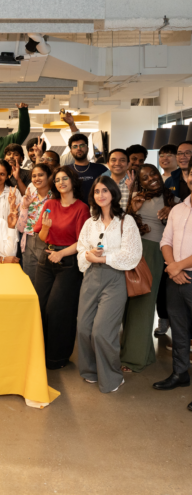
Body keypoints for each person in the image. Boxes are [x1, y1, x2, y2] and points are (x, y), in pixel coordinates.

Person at [76, 176, 142, 393]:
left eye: (105, 190)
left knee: (102, 332)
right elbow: (81, 248)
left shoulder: (126, 221)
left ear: (113, 193)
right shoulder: (89, 222)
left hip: (115, 278)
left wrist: (103, 258)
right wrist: (89, 254)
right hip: (91, 276)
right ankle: (91, 371)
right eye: (97, 191)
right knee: (84, 328)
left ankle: (113, 376)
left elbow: (132, 254)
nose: (101, 195)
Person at [120, 163, 177, 373]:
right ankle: (142, 354)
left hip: (153, 253)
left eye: (153, 173)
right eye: (145, 177)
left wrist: (172, 210)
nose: (151, 178)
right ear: (140, 183)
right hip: (130, 251)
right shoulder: (137, 198)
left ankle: (134, 359)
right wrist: (130, 208)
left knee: (143, 304)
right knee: (129, 304)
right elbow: (120, 222)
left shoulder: (176, 202)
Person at [33, 166, 91, 369]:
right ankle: (38, 353)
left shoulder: (82, 208)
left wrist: (61, 253)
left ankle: (56, 358)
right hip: (46, 258)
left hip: (68, 261)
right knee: (39, 307)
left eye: (65, 178)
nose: (61, 182)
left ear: (73, 181)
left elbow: (82, 242)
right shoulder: (50, 203)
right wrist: (46, 229)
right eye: (57, 180)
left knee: (57, 311)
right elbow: (41, 236)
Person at [153, 163, 192, 407]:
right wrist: (172, 265)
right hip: (175, 276)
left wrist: (178, 266)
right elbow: (165, 240)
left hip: (183, 273)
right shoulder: (179, 208)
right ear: (187, 177)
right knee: (178, 330)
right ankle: (180, 373)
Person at [17, 163, 53, 287]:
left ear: (49, 176)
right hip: (28, 241)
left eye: (41, 175)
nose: (37, 178)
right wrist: (25, 207)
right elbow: (21, 228)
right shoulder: (28, 198)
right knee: (30, 282)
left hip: (48, 241)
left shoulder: (56, 198)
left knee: (46, 282)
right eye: (34, 176)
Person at [67, 133, 108, 203]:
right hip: (73, 211)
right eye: (75, 146)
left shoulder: (101, 169)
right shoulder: (66, 170)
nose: (79, 148)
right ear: (71, 151)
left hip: (96, 211)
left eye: (82, 145)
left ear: (87, 148)